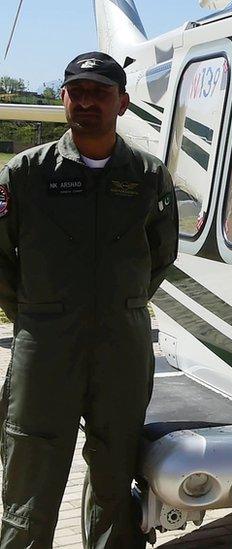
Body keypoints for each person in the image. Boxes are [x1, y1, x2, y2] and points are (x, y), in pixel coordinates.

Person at [0, 52, 178, 548]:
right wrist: (37, 313)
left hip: (122, 342)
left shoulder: (146, 175)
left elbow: (161, 255)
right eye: (76, 91)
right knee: (30, 471)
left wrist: (120, 304)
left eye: (99, 92)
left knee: (115, 470)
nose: (85, 102)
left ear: (122, 102)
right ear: (63, 98)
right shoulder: (26, 173)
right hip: (46, 344)